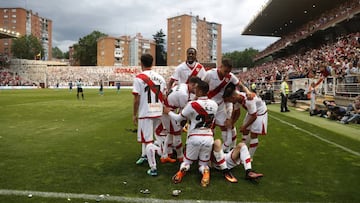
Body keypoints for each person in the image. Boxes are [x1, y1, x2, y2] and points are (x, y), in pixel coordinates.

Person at [164, 80, 218, 187]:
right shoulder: (214, 104)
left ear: (200, 91)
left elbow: (179, 118)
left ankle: (181, 171)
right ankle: (205, 172)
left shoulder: (192, 104)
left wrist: (168, 111)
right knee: (203, 164)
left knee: (187, 162)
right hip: (208, 137)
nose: (194, 90)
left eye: (196, 88)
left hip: (194, 137)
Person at [203, 58, 251, 153]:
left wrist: (247, 91)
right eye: (225, 71)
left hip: (221, 104)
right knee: (208, 127)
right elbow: (202, 86)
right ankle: (208, 148)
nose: (226, 74)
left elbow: (240, 85)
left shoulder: (230, 76)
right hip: (208, 105)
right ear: (220, 67)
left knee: (225, 125)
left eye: (228, 72)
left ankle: (227, 148)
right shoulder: (210, 74)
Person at [132, 54, 166, 176]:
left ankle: (153, 168)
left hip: (146, 112)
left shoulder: (139, 78)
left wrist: (134, 114)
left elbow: (136, 98)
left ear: (141, 63)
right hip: (158, 111)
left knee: (148, 141)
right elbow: (164, 96)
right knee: (149, 137)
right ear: (152, 62)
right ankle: (145, 156)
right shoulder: (161, 78)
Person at [161, 76, 201, 163]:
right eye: (196, 88)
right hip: (168, 111)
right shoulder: (184, 94)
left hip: (168, 108)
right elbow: (185, 110)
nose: (196, 90)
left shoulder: (183, 86)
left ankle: (165, 155)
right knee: (176, 134)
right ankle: (180, 156)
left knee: (171, 134)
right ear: (192, 84)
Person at [223, 83, 268, 159]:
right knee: (245, 131)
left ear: (233, 97)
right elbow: (236, 112)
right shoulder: (238, 98)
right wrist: (232, 122)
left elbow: (254, 116)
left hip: (260, 113)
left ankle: (249, 157)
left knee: (254, 134)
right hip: (252, 112)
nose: (230, 102)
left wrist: (244, 126)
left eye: (229, 100)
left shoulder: (249, 100)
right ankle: (242, 149)